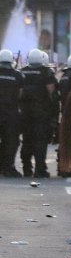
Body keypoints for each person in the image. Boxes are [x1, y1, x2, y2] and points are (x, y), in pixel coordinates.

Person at [19, 49, 57, 177]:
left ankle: (26, 168)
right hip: (41, 112)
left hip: (25, 112)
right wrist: (54, 110)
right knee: (40, 141)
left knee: (27, 140)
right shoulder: (46, 72)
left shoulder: (22, 71)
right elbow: (51, 92)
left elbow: (18, 92)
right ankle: (40, 169)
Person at [0, 49, 24, 177]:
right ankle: (8, 167)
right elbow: (20, 94)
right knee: (11, 141)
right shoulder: (17, 75)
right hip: (10, 112)